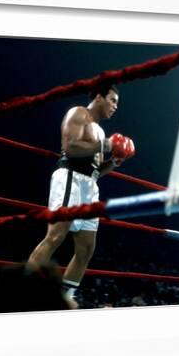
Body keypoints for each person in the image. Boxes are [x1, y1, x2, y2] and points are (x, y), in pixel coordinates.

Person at [27, 84, 135, 305]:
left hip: (89, 185)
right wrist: (105, 145)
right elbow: (71, 148)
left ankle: (65, 299)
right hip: (70, 178)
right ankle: (22, 290)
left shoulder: (100, 130)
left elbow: (95, 171)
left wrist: (113, 162)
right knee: (55, 236)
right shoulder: (78, 114)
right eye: (112, 100)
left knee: (86, 248)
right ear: (98, 97)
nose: (115, 106)